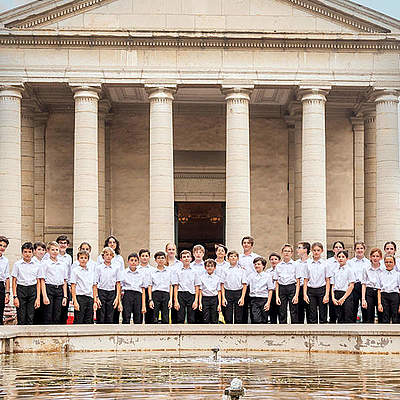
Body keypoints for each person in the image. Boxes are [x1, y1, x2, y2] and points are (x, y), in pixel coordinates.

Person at [11, 242, 41, 325]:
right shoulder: (17, 265)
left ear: (33, 253)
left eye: (29, 252)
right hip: (21, 289)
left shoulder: (37, 265)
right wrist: (15, 297)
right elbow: (14, 281)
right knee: (21, 316)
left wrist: (38, 298)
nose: (27, 254)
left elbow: (38, 282)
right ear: (22, 253)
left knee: (31, 316)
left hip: (32, 289)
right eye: (25, 252)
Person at [98, 236, 124, 324]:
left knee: (111, 314)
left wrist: (118, 296)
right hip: (102, 290)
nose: (112, 244)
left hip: (113, 290)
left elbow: (119, 280)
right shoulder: (99, 265)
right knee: (101, 314)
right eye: (110, 242)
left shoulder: (119, 259)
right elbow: (96, 281)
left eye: (114, 242)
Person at [40, 241, 68, 324]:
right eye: (52, 250)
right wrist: (44, 296)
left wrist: (65, 296)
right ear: (48, 251)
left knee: (58, 314)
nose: (55, 252)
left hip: (59, 290)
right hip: (49, 289)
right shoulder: (45, 263)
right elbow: (42, 280)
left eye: (56, 250)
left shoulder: (63, 264)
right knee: (48, 314)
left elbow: (64, 281)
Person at [303, 242, 330, 324]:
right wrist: (305, 294)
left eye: (318, 250)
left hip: (322, 290)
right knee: (312, 315)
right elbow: (305, 280)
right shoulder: (307, 264)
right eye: (314, 250)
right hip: (311, 290)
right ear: (311, 251)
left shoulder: (325, 264)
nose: (316, 252)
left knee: (323, 314)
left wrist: (327, 294)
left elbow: (328, 280)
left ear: (322, 251)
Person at [172, 250, 200, 324]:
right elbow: (175, 286)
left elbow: (197, 286)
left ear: (191, 258)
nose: (186, 259)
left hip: (191, 295)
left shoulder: (195, 271)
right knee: (180, 317)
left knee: (192, 318)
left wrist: (196, 301)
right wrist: (176, 301)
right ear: (181, 259)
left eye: (188, 257)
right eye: (184, 257)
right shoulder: (177, 271)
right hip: (180, 294)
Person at [94, 247, 121, 324]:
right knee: (101, 315)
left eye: (110, 255)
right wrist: (96, 297)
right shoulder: (99, 268)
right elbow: (95, 283)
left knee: (110, 315)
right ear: (103, 256)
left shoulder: (116, 268)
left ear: (113, 256)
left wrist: (117, 298)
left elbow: (118, 283)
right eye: (106, 254)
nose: (108, 256)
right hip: (101, 292)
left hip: (112, 292)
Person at [274, 244, 299, 324]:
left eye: (288, 251)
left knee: (294, 311)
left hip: (292, 288)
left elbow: (298, 281)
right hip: (281, 288)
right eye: (285, 251)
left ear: (291, 253)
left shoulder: (295, 265)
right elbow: (276, 282)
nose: (287, 253)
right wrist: (277, 296)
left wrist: (296, 295)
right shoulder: (278, 266)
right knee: (282, 311)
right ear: (282, 252)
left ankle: (295, 330)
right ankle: (282, 330)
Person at [221, 250, 247, 324]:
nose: (233, 258)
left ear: (237, 258)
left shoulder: (242, 270)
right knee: (228, 316)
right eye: (231, 256)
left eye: (235, 256)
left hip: (238, 292)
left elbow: (244, 284)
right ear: (228, 258)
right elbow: (222, 284)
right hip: (228, 292)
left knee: (238, 317)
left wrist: (242, 298)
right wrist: (223, 298)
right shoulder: (225, 270)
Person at [70, 250, 96, 324]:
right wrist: (75, 301)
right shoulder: (75, 271)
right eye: (81, 258)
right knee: (79, 319)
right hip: (80, 298)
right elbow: (73, 286)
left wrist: (95, 301)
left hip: (89, 298)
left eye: (85, 258)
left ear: (88, 259)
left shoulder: (91, 271)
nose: (83, 259)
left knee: (89, 320)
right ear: (78, 259)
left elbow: (94, 286)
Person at [120, 253, 146, 324]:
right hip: (127, 294)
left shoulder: (141, 273)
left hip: (138, 295)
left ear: (138, 262)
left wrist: (143, 305)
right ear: (128, 262)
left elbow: (143, 289)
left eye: (135, 260)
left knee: (138, 316)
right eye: (131, 260)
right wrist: (120, 302)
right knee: (126, 315)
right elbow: (120, 287)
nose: (133, 262)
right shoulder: (123, 272)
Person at [239, 236, 259, 323]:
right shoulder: (238, 257)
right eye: (244, 243)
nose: (246, 244)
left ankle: (253, 325)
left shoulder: (256, 257)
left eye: (248, 243)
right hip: (242, 285)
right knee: (242, 307)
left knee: (253, 307)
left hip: (253, 285)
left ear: (251, 245)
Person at [348, 241, 370, 322]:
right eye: (357, 248)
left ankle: (365, 326)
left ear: (364, 249)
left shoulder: (368, 262)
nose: (359, 250)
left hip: (365, 286)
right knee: (353, 307)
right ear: (354, 250)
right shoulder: (350, 262)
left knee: (365, 308)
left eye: (361, 248)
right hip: (354, 286)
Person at [331, 250, 355, 323]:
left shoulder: (349, 270)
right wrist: (333, 298)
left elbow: (351, 285)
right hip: (336, 294)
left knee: (347, 317)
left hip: (346, 295)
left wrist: (343, 298)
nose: (341, 258)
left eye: (343, 257)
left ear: (347, 259)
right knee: (339, 318)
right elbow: (333, 285)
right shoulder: (335, 270)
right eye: (339, 257)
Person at [148, 251, 173, 324]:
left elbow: (171, 285)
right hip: (155, 294)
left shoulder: (169, 271)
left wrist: (170, 299)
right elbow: (150, 286)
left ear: (165, 259)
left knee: (165, 316)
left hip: (166, 294)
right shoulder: (152, 272)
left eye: (162, 258)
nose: (160, 260)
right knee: (154, 316)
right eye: (158, 258)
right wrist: (150, 299)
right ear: (155, 260)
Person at [248, 257, 274, 324]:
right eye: (255, 264)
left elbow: (270, 289)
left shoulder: (267, 276)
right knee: (255, 318)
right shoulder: (251, 276)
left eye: (259, 264)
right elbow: (245, 284)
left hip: (264, 299)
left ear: (263, 266)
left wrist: (268, 303)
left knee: (264, 318)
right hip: (254, 299)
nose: (256, 266)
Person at [361, 248, 384, 323]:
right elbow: (364, 284)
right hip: (369, 291)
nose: (375, 258)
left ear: (380, 257)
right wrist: (363, 299)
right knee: (369, 313)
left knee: (381, 313)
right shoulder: (366, 268)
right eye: (373, 256)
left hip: (380, 292)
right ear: (370, 257)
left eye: (377, 256)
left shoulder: (383, 269)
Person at [55, 235, 73, 325]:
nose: (62, 245)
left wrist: (69, 286)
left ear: (68, 245)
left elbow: (69, 272)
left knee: (64, 309)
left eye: (64, 243)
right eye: (60, 243)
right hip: (54, 285)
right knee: (55, 310)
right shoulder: (52, 255)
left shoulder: (69, 258)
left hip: (65, 286)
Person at [378, 254, 400, 323]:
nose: (388, 264)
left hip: (395, 296)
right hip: (384, 296)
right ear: (384, 263)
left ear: (394, 263)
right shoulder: (381, 274)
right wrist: (379, 303)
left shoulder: (398, 274)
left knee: (395, 316)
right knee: (385, 316)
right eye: (386, 262)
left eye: (390, 262)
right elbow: (379, 289)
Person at [199, 259, 221, 324]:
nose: (210, 268)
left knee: (214, 318)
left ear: (215, 268)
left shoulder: (217, 278)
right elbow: (200, 291)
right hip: (205, 299)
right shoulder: (201, 278)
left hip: (214, 299)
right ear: (205, 267)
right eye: (208, 266)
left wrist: (219, 304)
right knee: (205, 318)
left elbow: (219, 291)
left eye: (212, 266)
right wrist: (200, 303)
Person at [327, 241, 344, 324]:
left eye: (340, 247)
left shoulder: (347, 262)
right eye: (336, 247)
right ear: (333, 249)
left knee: (343, 312)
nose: (338, 249)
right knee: (332, 310)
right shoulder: (328, 261)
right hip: (331, 286)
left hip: (343, 288)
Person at [165, 243, 182, 324]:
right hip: (165, 290)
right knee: (164, 313)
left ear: (175, 251)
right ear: (166, 250)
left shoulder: (179, 264)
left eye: (173, 249)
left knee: (176, 313)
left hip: (176, 290)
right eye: (169, 249)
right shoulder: (162, 262)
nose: (171, 251)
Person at [138, 248, 156, 324]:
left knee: (150, 314)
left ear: (149, 257)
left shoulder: (153, 270)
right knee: (139, 313)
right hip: (139, 292)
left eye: (146, 256)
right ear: (139, 257)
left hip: (149, 292)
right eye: (143, 256)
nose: (144, 257)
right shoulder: (136, 269)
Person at [295, 241, 311, 323]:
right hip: (298, 288)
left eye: (299, 248)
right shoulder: (296, 263)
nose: (297, 250)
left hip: (309, 289)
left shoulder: (311, 263)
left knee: (310, 311)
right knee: (299, 311)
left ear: (305, 250)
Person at [267, 252, 281, 324]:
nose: (273, 261)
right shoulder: (267, 271)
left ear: (279, 260)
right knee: (272, 311)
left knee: (281, 311)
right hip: (270, 292)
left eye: (275, 259)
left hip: (279, 292)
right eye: (271, 259)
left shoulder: (281, 269)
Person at [0, 236, 10, 325]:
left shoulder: (5, 261)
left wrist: (7, 293)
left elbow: (7, 277)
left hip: (0, 286)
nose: (2, 248)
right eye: (0, 245)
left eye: (4, 246)